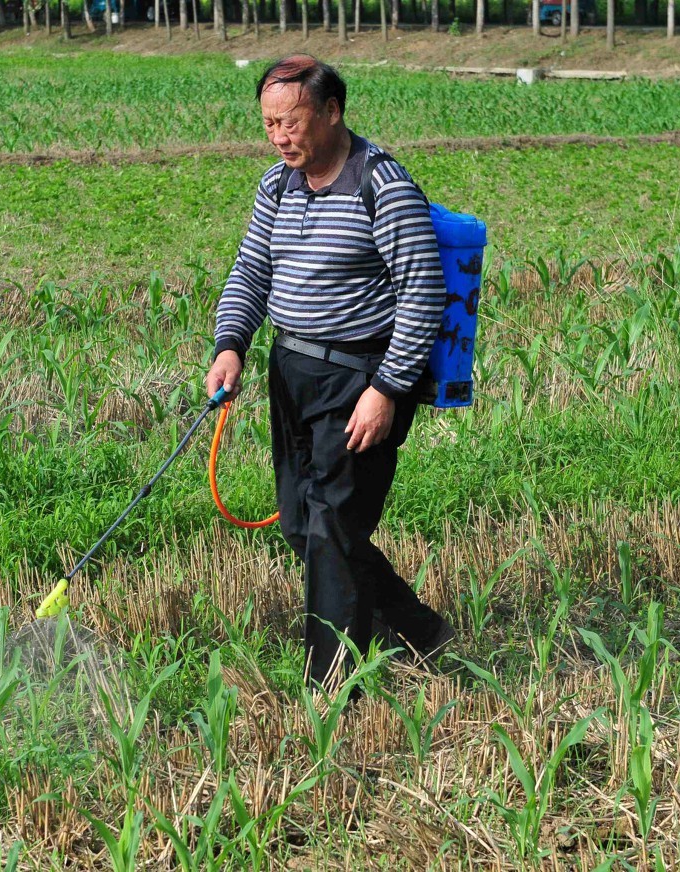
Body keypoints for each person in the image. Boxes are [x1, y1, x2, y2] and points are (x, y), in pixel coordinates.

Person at [205, 55, 453, 693]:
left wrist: (387, 390)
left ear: (333, 111)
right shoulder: (276, 186)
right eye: (269, 124)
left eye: (290, 122)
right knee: (301, 526)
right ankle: (418, 629)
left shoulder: (384, 185)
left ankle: (333, 689)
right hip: (291, 371)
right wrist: (231, 344)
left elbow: (422, 293)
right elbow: (251, 271)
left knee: (334, 530)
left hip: (358, 378)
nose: (279, 137)